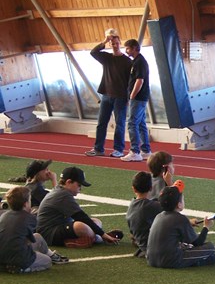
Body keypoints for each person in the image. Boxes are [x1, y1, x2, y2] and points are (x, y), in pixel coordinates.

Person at [36, 166, 123, 248]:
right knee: (80, 226)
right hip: (49, 233)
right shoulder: (63, 195)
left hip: (59, 226)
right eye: (79, 185)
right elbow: (80, 216)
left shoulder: (61, 190)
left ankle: (92, 237)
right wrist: (103, 234)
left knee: (96, 221)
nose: (80, 189)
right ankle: (97, 238)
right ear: (69, 182)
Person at [147, 180, 215, 268]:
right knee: (210, 247)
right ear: (179, 205)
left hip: (151, 259)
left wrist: (188, 223)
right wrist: (206, 227)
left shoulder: (158, 216)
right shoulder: (180, 219)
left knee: (184, 245)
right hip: (170, 261)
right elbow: (198, 243)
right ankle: (196, 262)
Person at [85, 30, 132, 158]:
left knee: (120, 123)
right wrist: (104, 41)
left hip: (121, 97)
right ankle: (98, 148)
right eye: (112, 43)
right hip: (106, 95)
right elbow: (93, 52)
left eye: (116, 43)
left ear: (120, 43)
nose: (115, 45)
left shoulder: (127, 61)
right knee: (101, 123)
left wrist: (128, 97)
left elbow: (130, 82)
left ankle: (119, 149)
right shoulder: (106, 58)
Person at [0, 186, 68, 274]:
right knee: (47, 261)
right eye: (30, 200)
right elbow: (28, 241)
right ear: (25, 204)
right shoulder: (30, 218)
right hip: (18, 257)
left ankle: (51, 255)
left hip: (2, 255)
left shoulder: (4, 215)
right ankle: (22, 268)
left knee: (37, 237)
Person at [121, 38, 152, 162]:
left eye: (127, 48)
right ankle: (145, 150)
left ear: (134, 48)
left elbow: (139, 80)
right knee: (141, 123)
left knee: (132, 123)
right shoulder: (137, 61)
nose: (126, 51)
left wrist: (132, 96)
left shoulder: (139, 62)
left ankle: (135, 151)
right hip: (141, 97)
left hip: (139, 98)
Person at [126, 171, 162, 258]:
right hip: (153, 247)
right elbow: (173, 207)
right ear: (151, 188)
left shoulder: (132, 204)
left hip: (140, 242)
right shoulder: (153, 206)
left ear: (133, 188)